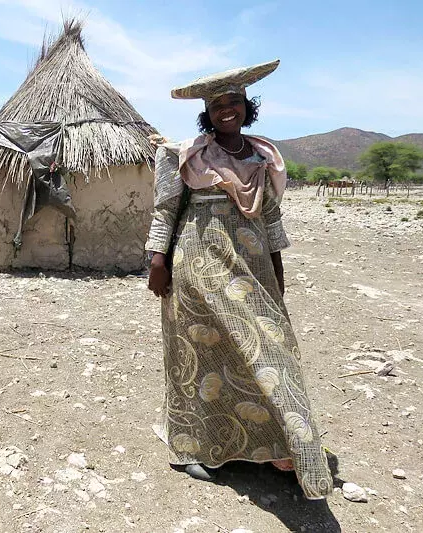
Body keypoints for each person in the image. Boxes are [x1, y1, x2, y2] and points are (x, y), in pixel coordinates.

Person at [145, 59, 333, 500]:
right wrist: (157, 260)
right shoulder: (184, 154)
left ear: (248, 107)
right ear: (206, 113)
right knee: (197, 352)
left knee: (271, 350)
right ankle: (191, 446)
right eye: (217, 105)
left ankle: (278, 448)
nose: (226, 110)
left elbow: (269, 215)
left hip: (253, 266)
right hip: (198, 263)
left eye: (234, 102)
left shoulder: (262, 156)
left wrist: (277, 268)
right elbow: (164, 209)